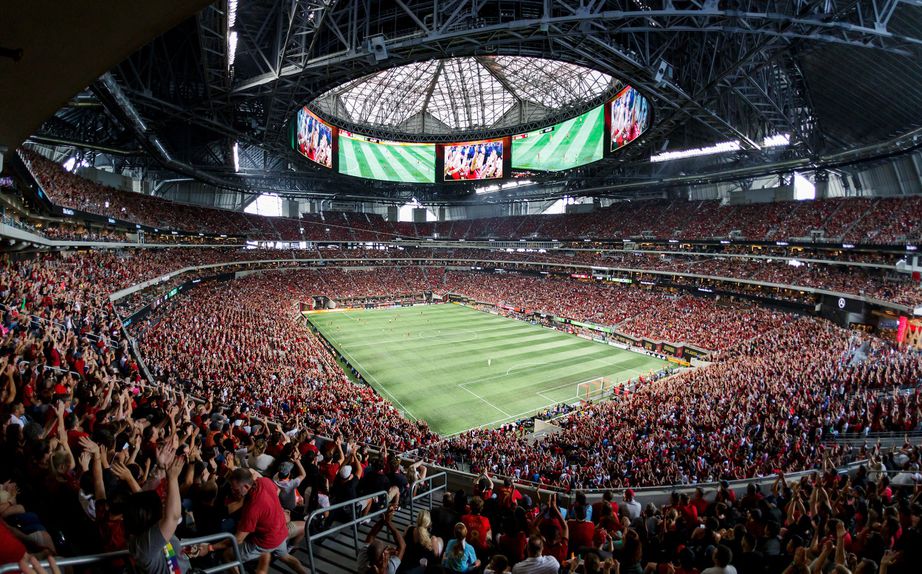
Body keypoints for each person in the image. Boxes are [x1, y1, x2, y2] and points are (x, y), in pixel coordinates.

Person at [217, 468, 307, 574]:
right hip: (280, 533)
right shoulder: (264, 481)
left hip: (264, 543)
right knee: (286, 557)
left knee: (227, 555)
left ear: (246, 486)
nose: (233, 491)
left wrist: (211, 547)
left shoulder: (252, 508)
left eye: (235, 490)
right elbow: (276, 491)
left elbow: (238, 539)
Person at [124, 444, 191, 574]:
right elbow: (172, 517)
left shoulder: (145, 530)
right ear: (148, 515)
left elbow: (144, 498)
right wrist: (173, 478)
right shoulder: (144, 546)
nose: (163, 506)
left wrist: (160, 468)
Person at [359, 505, 406, 574]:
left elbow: (371, 535)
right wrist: (388, 522)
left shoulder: (363, 559)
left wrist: (384, 519)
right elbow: (402, 546)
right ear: (383, 556)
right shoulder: (389, 569)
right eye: (385, 549)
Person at [398, 509, 442, 574]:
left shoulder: (409, 528)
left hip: (402, 566)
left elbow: (401, 543)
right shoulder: (432, 539)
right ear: (429, 523)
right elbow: (435, 557)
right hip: (418, 569)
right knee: (440, 540)